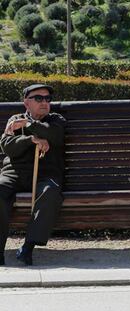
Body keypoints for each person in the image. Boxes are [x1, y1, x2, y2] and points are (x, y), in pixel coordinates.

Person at [0, 84, 66, 266]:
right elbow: (7, 145)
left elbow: (54, 135)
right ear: (26, 102)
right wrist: (30, 139)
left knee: (51, 193)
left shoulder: (56, 120)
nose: (44, 102)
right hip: (14, 173)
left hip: (46, 174)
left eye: (47, 99)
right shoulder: (15, 119)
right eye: (38, 98)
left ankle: (28, 247)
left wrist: (30, 125)